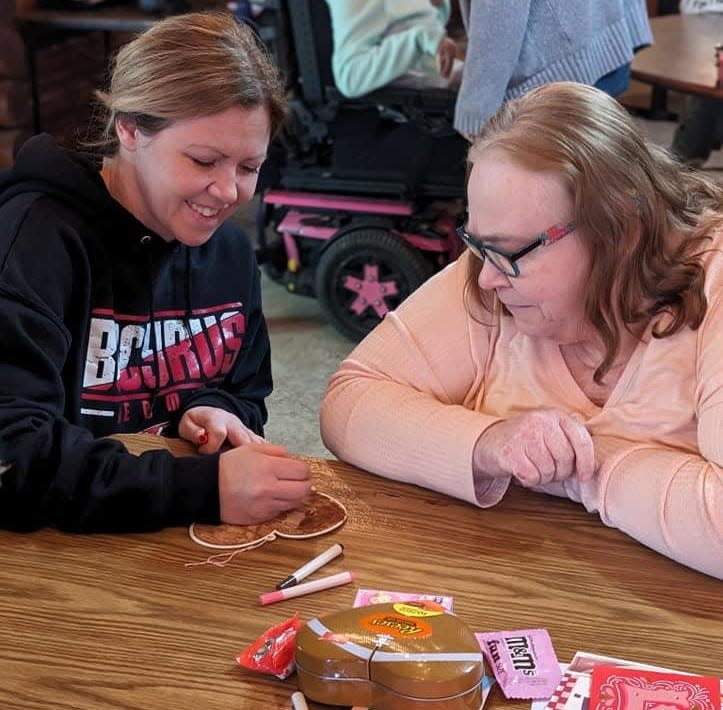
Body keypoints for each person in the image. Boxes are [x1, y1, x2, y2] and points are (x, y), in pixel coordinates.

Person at [320, 82, 723, 580]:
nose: (487, 277)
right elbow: (349, 404)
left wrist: (582, 467)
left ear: (622, 229)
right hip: (512, 593)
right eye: (478, 244)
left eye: (509, 253)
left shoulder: (715, 281)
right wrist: (493, 443)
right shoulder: (494, 268)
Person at [0, 12, 312, 533]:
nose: (229, 192)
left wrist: (216, 411)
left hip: (159, 535)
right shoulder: (32, 242)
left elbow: (246, 388)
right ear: (129, 129)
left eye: (248, 167)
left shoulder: (230, 253)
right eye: (203, 160)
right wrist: (197, 488)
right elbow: (12, 459)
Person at [453, 0, 652, 137]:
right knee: (590, 178)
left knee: (551, 188)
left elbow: (498, 15)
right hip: (607, 36)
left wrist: (476, 110)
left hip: (548, 79)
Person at [324, 0, 463, 99]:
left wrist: (439, 6)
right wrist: (419, 39)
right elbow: (350, 76)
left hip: (449, 83)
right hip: (434, 103)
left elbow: (427, 30)